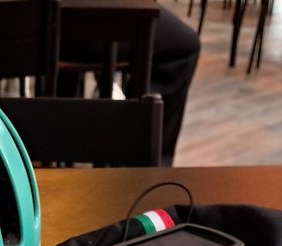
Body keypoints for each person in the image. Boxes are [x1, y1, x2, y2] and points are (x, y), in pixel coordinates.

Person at [58, 6, 201, 165]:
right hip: (77, 23)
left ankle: (57, 129)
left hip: (34, 25)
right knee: (183, 46)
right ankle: (145, 158)